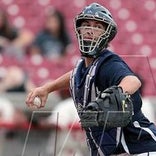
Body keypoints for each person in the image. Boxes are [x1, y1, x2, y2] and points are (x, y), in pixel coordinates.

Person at [26, 3, 156, 156]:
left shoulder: (109, 63)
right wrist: (47, 88)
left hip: (141, 148)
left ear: (106, 34)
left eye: (97, 26)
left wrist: (113, 96)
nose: (90, 30)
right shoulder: (84, 67)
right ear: (79, 30)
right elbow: (76, 74)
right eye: (86, 25)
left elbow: (133, 81)